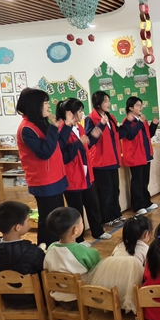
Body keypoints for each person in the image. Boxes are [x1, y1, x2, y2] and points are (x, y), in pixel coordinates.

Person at [16, 88, 69, 246]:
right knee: (48, 220)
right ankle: (45, 250)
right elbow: (44, 152)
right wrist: (53, 128)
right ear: (35, 105)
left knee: (57, 218)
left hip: (56, 177)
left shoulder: (41, 123)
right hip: (44, 182)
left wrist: (65, 126)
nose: (48, 106)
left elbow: (58, 144)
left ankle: (58, 247)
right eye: (45, 102)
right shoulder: (27, 128)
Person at [56, 99, 110, 242]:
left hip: (86, 174)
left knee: (92, 205)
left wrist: (97, 132)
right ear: (70, 113)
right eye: (79, 111)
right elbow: (64, 156)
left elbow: (87, 144)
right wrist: (79, 143)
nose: (82, 114)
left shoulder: (79, 127)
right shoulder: (62, 129)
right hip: (73, 177)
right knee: (76, 210)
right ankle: (79, 240)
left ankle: (97, 231)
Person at [0, 201, 45, 307]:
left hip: (6, 298)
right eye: (28, 220)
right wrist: (41, 251)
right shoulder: (33, 251)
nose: (29, 223)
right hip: (34, 299)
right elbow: (43, 271)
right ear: (18, 227)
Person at [90, 215, 153, 313]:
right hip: (130, 292)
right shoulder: (146, 249)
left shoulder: (118, 247)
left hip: (111, 290)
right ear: (146, 234)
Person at [44, 207, 101, 306]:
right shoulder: (87, 252)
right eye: (81, 222)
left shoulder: (50, 248)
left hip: (58, 298)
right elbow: (98, 274)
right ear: (75, 229)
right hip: (82, 299)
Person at [85, 91, 123, 226]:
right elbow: (90, 140)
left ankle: (116, 214)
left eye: (108, 100)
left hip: (113, 159)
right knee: (105, 191)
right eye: (105, 101)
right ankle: (107, 218)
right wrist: (100, 124)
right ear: (98, 103)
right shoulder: (91, 118)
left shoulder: (110, 117)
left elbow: (117, 134)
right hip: (100, 162)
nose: (108, 103)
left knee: (115, 189)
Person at [122, 96, 160, 215]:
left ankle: (146, 202)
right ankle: (137, 205)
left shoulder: (141, 120)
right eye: (138, 105)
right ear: (130, 108)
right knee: (137, 182)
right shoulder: (128, 121)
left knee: (144, 181)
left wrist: (153, 125)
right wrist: (139, 123)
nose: (141, 107)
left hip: (145, 155)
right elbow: (130, 135)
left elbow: (148, 135)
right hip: (135, 156)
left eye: (141, 105)